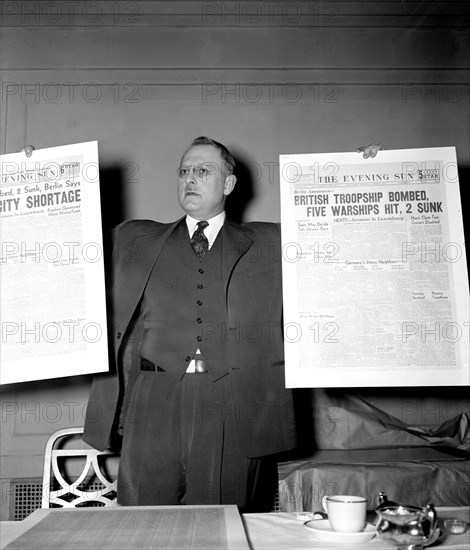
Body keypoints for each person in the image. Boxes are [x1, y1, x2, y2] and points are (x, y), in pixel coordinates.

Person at [81, 137, 382, 510]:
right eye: (184, 171)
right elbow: (67, 244)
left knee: (223, 521)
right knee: (144, 519)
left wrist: (365, 172)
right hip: (154, 399)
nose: (190, 178)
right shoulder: (135, 238)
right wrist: (34, 172)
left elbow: (344, 240)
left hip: (232, 401)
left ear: (228, 184)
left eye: (203, 171)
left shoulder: (272, 242)